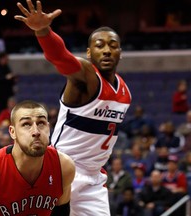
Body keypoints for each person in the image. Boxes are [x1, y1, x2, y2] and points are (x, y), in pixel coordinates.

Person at [15, 1, 132, 215]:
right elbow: (61, 58)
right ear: (89, 53)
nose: (106, 50)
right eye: (99, 45)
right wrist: (43, 31)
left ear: (120, 52)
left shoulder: (125, 92)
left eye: (113, 45)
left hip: (94, 177)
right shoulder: (87, 77)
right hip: (61, 169)